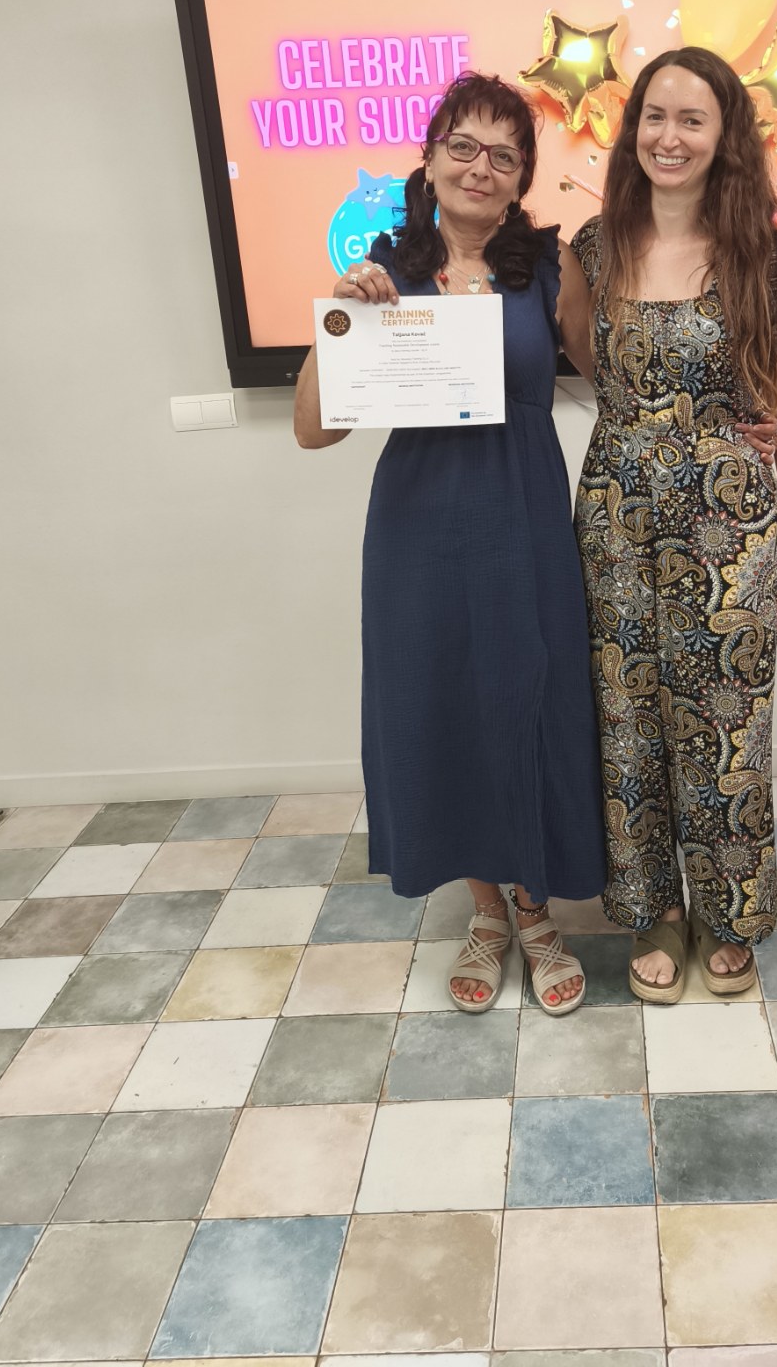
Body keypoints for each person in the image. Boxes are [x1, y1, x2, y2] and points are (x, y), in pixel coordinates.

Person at [294, 73, 604, 1016]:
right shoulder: (385, 268)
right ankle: (488, 912)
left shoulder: (549, 266)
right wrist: (341, 319)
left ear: (521, 178)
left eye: (504, 155)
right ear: (428, 160)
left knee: (533, 698)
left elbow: (615, 376)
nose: (481, 166)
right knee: (446, 707)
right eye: (462, 146)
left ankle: (538, 911)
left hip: (525, 513)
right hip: (419, 524)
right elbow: (314, 430)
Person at [572, 45, 777, 1003]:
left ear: (724, 138)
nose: (668, 137)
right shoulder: (592, 249)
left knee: (727, 724)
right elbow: (593, 368)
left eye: (692, 119)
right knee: (627, 722)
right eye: (655, 116)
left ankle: (728, 912)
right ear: (633, 129)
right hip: (615, 518)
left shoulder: (760, 254)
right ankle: (655, 912)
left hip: (732, 527)